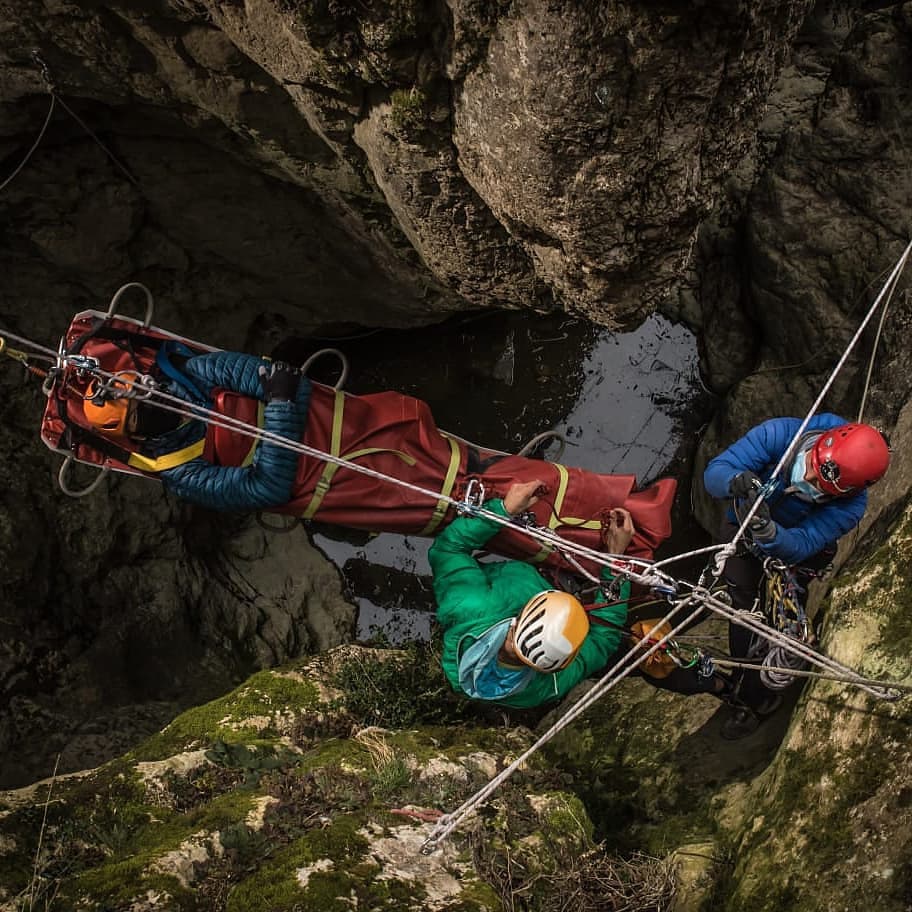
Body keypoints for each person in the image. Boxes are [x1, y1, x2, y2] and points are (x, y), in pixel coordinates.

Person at [701, 414, 891, 739]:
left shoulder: (850, 507)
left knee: (788, 613)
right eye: (811, 467)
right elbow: (715, 473)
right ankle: (750, 695)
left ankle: (760, 690)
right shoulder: (781, 434)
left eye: (820, 485)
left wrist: (769, 532)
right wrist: (735, 481)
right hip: (742, 531)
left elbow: (804, 542)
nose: (809, 479)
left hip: (793, 553)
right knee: (744, 615)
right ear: (819, 445)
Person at [429, 478, 636, 709]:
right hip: (567, 581)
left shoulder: (472, 605)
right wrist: (616, 563)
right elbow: (602, 642)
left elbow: (448, 549)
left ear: (516, 622)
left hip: (512, 576)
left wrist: (502, 510)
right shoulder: (547, 687)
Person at [82, 353, 312, 511]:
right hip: (322, 481)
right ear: (136, 436)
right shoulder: (181, 473)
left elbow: (290, 381)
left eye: (143, 395)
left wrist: (284, 404)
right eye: (135, 416)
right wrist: (282, 405)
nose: (148, 406)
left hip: (335, 412)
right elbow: (268, 490)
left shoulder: (196, 372)